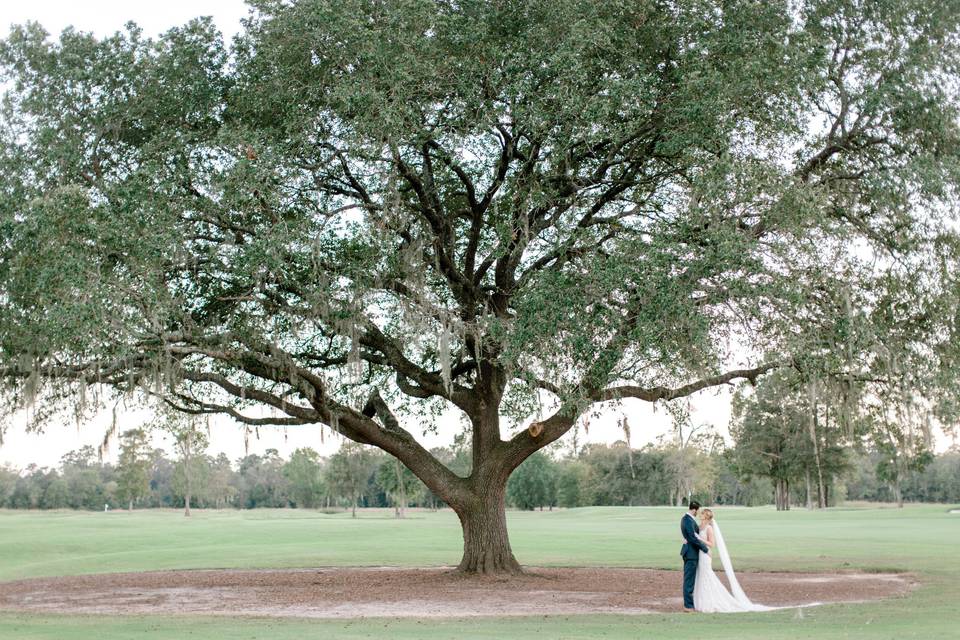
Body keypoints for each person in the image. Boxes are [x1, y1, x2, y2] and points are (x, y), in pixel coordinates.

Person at [692, 508, 774, 613]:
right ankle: (700, 601)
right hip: (699, 554)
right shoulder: (700, 527)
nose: (700, 515)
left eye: (702, 514)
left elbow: (712, 544)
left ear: (706, 517)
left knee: (706, 575)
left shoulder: (709, 528)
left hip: (705, 555)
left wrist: (700, 538)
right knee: (700, 576)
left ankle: (709, 602)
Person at [680, 500, 710, 612]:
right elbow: (692, 537)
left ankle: (691, 603)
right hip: (691, 554)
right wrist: (705, 549)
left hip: (692, 552)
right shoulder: (687, 520)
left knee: (692, 580)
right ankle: (688, 606)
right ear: (694, 509)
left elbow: (692, 535)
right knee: (689, 581)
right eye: (697, 511)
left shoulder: (688, 519)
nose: (697, 513)